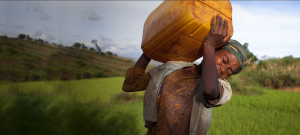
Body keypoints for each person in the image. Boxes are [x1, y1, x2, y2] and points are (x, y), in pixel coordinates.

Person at [122, 15, 251, 135]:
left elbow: (209, 90)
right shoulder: (172, 69)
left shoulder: (222, 88)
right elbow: (130, 84)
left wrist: (209, 43)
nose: (224, 69)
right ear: (215, 51)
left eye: (229, 72)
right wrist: (149, 50)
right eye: (224, 60)